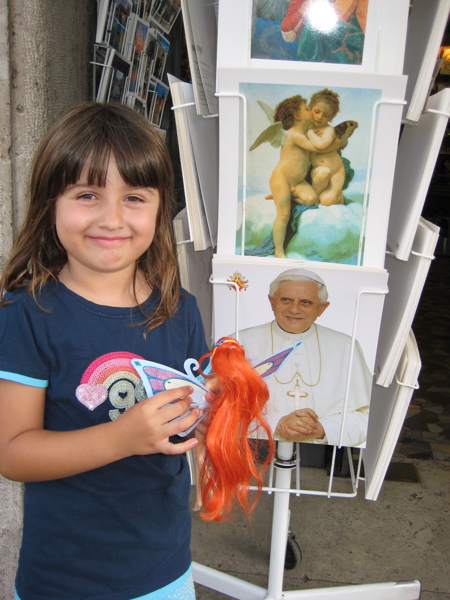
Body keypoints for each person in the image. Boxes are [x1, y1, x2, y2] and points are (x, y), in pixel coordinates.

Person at [0, 102, 212, 600]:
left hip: (167, 573)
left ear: (159, 208)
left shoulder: (181, 309)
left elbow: (198, 415)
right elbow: (12, 454)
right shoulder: (26, 314)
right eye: (87, 194)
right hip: (64, 582)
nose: (111, 218)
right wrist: (122, 438)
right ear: (50, 202)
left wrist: (218, 428)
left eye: (134, 197)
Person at [238, 268, 372, 447]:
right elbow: (219, 409)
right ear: (271, 301)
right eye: (286, 300)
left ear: (322, 308)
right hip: (254, 451)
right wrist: (276, 423)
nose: (294, 309)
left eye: (305, 302)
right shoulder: (239, 342)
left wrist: (322, 428)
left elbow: (367, 417)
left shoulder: (346, 347)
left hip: (322, 453)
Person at [259, 95, 341, 258]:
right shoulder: (294, 134)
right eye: (307, 109)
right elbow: (317, 148)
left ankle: (286, 196)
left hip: (297, 182)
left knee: (311, 199)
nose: (311, 111)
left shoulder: (304, 132)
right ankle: (279, 251)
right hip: (282, 179)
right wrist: (336, 144)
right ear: (297, 115)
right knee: (283, 216)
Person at [306, 88, 347, 206]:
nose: (320, 117)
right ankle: (315, 197)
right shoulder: (304, 128)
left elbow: (321, 145)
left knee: (327, 201)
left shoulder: (328, 130)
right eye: (317, 111)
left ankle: (337, 195)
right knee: (323, 173)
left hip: (336, 172)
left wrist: (310, 132)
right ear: (309, 109)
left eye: (326, 115)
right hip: (319, 171)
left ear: (331, 118)